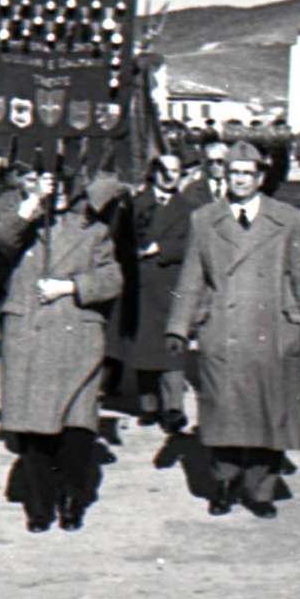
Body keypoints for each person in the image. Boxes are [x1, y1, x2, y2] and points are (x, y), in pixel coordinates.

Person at [166, 141, 300, 519]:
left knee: (269, 411)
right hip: (223, 329)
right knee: (222, 410)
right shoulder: (205, 219)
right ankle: (224, 483)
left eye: (246, 174)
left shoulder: (287, 219)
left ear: (259, 178)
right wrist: (178, 326)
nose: (239, 180)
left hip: (273, 329)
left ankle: (260, 490)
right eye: (233, 173)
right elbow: (191, 279)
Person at [0, 170, 124, 533]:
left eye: (62, 186)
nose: (57, 193)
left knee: (75, 429)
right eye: (47, 185)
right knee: (34, 430)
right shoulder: (21, 222)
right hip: (29, 337)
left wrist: (70, 287)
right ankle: (39, 507)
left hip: (76, 339)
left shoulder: (93, 231)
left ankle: (72, 500)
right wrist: (33, 203)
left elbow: (112, 279)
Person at [128, 154, 195, 433]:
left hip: (171, 285)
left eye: (175, 171)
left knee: (172, 347)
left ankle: (173, 408)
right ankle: (149, 405)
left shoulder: (187, 208)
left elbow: (191, 245)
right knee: (144, 346)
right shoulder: (137, 204)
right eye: (165, 170)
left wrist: (160, 248)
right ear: (154, 173)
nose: (170, 176)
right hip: (142, 284)